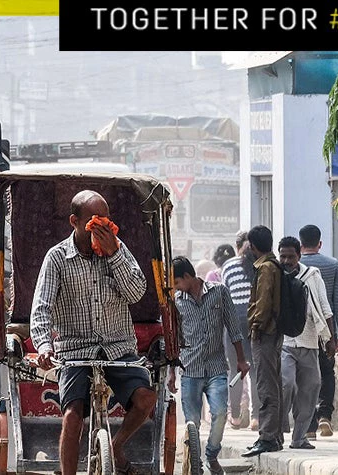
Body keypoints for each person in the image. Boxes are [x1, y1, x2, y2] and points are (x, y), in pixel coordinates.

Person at [30, 190, 155, 475]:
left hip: (118, 347)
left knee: (146, 398)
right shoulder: (57, 258)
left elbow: (136, 293)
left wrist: (113, 255)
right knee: (73, 417)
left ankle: (116, 446)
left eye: (107, 219)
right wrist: (44, 346)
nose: (104, 226)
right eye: (95, 220)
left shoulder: (118, 249)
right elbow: (41, 308)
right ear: (75, 221)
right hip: (75, 351)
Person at [168, 256, 249, 475]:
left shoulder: (220, 292)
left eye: (176, 282)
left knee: (221, 413)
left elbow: (233, 327)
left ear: (187, 276)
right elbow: (173, 339)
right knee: (192, 423)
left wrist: (241, 360)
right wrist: (171, 374)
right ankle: (195, 463)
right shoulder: (176, 301)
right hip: (189, 369)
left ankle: (212, 455)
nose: (175, 288)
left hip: (216, 367)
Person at [277, 237, 333, 450]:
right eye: (283, 256)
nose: (286, 260)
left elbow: (326, 308)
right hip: (285, 343)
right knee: (287, 383)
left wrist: (331, 339)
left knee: (311, 389)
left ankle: (299, 437)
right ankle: (278, 430)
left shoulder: (312, 276)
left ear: (299, 255)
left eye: (291, 256)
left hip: (309, 341)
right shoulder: (275, 276)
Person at [298, 224, 338, 438]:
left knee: (305, 377)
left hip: (301, 331)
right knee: (327, 372)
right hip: (327, 330)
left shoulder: (295, 266)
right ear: (320, 244)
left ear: (300, 245)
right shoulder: (332, 265)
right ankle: (325, 415)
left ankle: (309, 425)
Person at [242, 225, 283, 457]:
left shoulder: (266, 268)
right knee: (273, 384)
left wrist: (256, 326)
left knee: (266, 387)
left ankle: (267, 437)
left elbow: (264, 301)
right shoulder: (273, 265)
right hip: (272, 332)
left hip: (265, 333)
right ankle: (274, 436)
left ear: (253, 247)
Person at [220, 231, 256, 430]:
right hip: (255, 322)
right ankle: (257, 417)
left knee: (235, 370)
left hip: (234, 324)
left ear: (237, 246)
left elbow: (224, 297)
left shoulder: (228, 266)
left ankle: (234, 417)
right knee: (256, 370)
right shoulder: (259, 265)